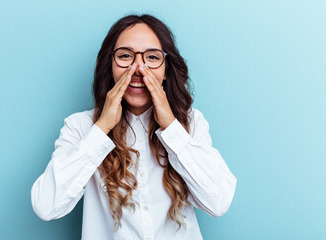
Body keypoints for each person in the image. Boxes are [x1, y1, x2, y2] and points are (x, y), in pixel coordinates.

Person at [31, 14, 237, 240]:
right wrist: (101, 129)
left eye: (152, 57)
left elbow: (218, 203)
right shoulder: (80, 127)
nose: (138, 69)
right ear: (110, 66)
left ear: (166, 69)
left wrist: (170, 126)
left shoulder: (191, 123)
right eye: (126, 56)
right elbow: (46, 206)